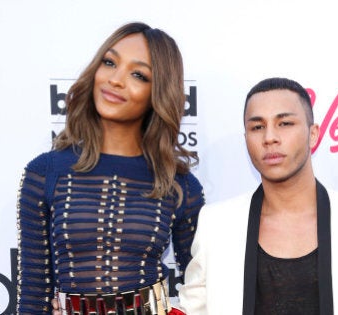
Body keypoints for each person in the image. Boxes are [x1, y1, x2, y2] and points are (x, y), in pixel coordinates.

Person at [16, 22, 204, 315]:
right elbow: (33, 293)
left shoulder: (180, 186)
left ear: (159, 92)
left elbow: (202, 289)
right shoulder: (46, 173)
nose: (116, 80)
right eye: (109, 62)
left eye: (138, 74)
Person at [178, 77, 338, 314]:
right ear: (246, 138)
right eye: (257, 127)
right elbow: (192, 308)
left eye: (285, 123)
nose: (269, 137)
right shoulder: (216, 224)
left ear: (313, 134)